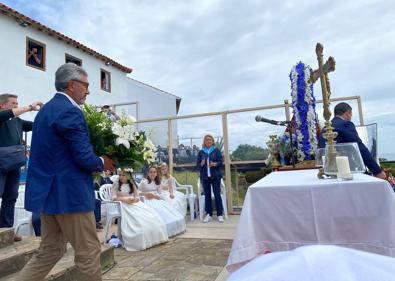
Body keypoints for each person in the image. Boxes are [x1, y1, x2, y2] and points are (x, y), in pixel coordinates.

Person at [17, 63, 115, 281]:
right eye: (86, 85)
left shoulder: (44, 112)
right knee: (88, 252)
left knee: (50, 251)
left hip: (48, 195)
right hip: (71, 197)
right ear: (72, 85)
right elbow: (83, 158)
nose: (88, 91)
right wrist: (103, 161)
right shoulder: (71, 111)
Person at [0, 93, 42, 241]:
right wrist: (30, 107)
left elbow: (35, 125)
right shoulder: (2, 116)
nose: (17, 106)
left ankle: (6, 233)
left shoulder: (17, 121)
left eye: (17, 103)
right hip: (1, 164)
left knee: (10, 198)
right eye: (13, 103)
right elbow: (9, 114)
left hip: (14, 165)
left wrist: (45, 114)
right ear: (2, 105)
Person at [318, 102, 394, 184]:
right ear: (347, 113)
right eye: (351, 115)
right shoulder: (346, 124)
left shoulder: (325, 129)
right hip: (347, 173)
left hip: (328, 172)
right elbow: (359, 147)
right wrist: (377, 171)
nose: (350, 117)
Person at [112, 170, 168, 251]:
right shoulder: (116, 184)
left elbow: (137, 196)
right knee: (137, 220)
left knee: (150, 216)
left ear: (128, 176)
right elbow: (113, 197)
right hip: (122, 204)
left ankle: (152, 236)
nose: (121, 177)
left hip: (134, 203)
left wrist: (135, 199)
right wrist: (124, 200)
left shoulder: (132, 184)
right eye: (119, 175)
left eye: (123, 175)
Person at [139, 166, 186, 236]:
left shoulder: (157, 182)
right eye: (151, 172)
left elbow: (161, 194)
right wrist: (146, 194)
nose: (152, 174)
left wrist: (156, 196)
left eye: (154, 172)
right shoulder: (143, 182)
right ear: (148, 173)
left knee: (165, 212)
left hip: (156, 199)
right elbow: (138, 192)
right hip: (146, 199)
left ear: (156, 173)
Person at [196, 134, 224, 223]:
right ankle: (209, 214)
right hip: (205, 177)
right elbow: (197, 166)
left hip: (215, 176)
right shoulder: (201, 152)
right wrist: (202, 163)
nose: (208, 141)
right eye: (207, 140)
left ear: (212, 141)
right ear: (204, 142)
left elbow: (221, 163)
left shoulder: (216, 150)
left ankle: (220, 214)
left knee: (217, 195)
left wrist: (214, 164)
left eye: (210, 140)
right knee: (207, 196)